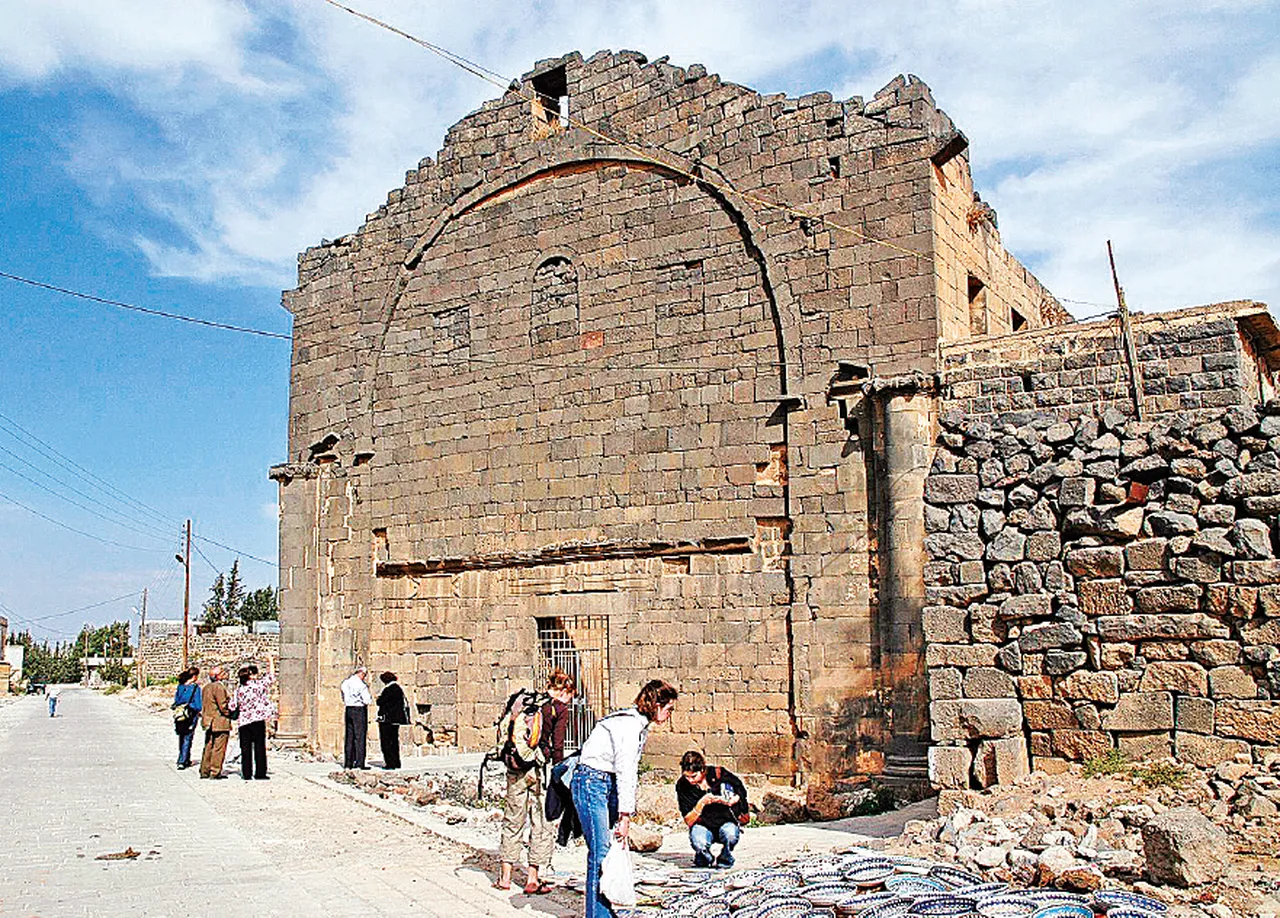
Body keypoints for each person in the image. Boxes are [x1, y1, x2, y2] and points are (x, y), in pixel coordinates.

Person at [571, 679, 678, 918]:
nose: (670, 715)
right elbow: (626, 770)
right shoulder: (628, 726)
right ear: (656, 704)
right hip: (592, 782)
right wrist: (625, 815)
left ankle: (603, 910)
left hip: (603, 783)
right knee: (599, 852)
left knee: (607, 851)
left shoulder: (638, 725)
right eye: (668, 709)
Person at [494, 669, 577, 895]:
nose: (570, 700)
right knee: (541, 822)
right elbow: (558, 745)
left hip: (517, 768)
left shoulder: (526, 702)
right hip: (540, 771)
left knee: (513, 819)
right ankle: (532, 879)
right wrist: (559, 773)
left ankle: (505, 877)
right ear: (565, 689)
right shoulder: (557, 708)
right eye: (571, 694)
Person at [675, 750, 749, 868]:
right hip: (703, 825)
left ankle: (725, 858)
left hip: (725, 821)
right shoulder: (683, 785)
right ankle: (705, 858)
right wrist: (702, 802)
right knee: (699, 842)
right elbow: (688, 820)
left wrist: (734, 799)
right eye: (687, 776)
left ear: (702, 771)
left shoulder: (719, 774)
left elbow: (740, 789)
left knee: (730, 835)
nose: (690, 780)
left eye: (694, 776)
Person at [231, 659, 276, 780]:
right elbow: (271, 677)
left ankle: (246, 773)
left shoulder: (239, 690)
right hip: (257, 720)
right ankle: (260, 773)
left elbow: (232, 706)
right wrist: (270, 661)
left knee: (245, 748)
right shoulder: (258, 686)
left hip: (244, 721)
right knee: (259, 747)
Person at [199, 666, 233, 779]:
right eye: (222, 673)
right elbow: (223, 706)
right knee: (219, 747)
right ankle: (215, 771)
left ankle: (205, 770)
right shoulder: (218, 688)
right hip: (219, 721)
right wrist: (231, 713)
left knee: (209, 746)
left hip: (208, 720)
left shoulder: (206, 687)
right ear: (217, 676)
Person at [375, 672, 410, 770]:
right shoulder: (398, 689)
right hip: (396, 720)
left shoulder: (389, 690)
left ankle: (390, 763)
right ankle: (396, 762)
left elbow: (380, 702)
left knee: (386, 742)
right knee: (394, 741)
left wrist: (379, 698)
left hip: (387, 720)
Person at [340, 666, 373, 769]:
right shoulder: (361, 685)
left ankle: (348, 763)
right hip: (359, 710)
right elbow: (367, 700)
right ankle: (359, 763)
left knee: (349, 736)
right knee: (360, 737)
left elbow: (343, 695)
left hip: (349, 709)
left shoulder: (345, 683)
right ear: (361, 673)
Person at [172, 667, 203, 769]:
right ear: (194, 676)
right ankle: (182, 760)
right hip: (190, 714)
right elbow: (198, 705)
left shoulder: (180, 687)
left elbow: (176, 700)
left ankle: (184, 757)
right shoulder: (195, 688)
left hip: (179, 714)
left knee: (181, 735)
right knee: (188, 737)